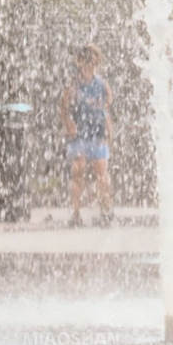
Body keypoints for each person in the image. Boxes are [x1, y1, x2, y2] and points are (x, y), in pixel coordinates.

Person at [58, 44, 113, 227]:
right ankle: (75, 214)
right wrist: (69, 124)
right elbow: (64, 108)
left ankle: (106, 211)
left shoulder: (102, 85)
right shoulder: (73, 85)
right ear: (79, 62)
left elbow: (106, 108)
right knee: (78, 171)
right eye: (85, 60)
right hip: (79, 134)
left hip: (97, 133)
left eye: (92, 60)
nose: (89, 64)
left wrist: (108, 128)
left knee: (101, 172)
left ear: (96, 62)